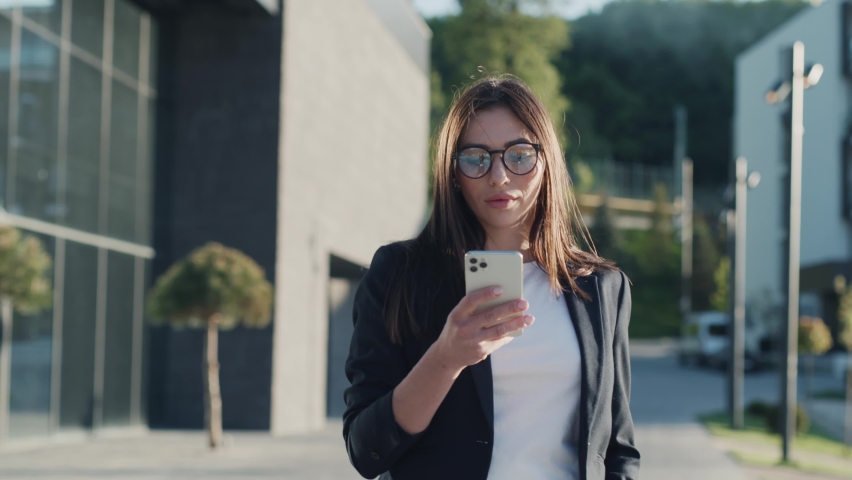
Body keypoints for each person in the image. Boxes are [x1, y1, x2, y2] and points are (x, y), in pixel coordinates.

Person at [342, 76, 640, 480]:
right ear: (453, 171)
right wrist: (445, 359)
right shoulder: (399, 274)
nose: (499, 176)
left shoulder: (602, 287)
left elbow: (618, 449)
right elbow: (366, 450)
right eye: (475, 158)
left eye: (519, 155)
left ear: (547, 161)